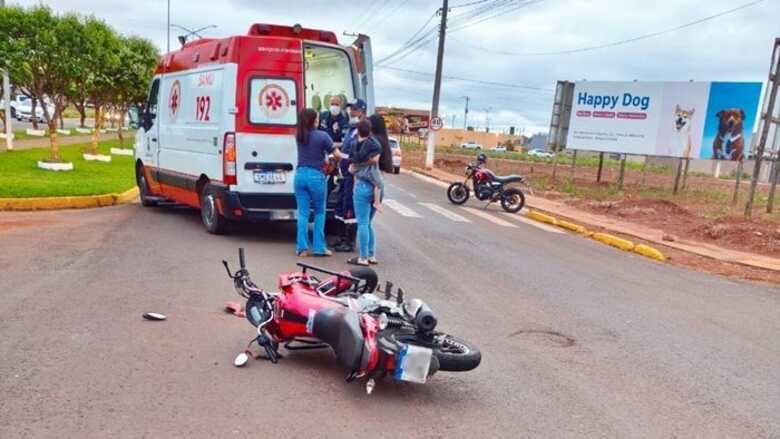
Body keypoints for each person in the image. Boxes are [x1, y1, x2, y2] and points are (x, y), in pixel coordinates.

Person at [294, 108, 341, 257]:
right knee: (320, 212)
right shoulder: (323, 136)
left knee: (302, 213)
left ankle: (302, 248)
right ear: (314, 120)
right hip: (316, 176)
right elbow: (337, 154)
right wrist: (335, 161)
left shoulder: (299, 136)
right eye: (318, 118)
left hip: (300, 175)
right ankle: (319, 248)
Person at [333, 98, 368, 253]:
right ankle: (341, 238)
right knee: (341, 205)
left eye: (353, 109)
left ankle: (349, 241)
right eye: (349, 109)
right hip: (344, 174)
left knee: (350, 208)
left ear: (361, 111)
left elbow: (358, 156)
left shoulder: (363, 130)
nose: (350, 112)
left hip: (353, 175)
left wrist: (342, 156)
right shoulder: (350, 128)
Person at [350, 119, 384, 211]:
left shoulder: (354, 142)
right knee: (379, 183)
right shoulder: (372, 143)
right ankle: (377, 203)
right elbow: (374, 159)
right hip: (370, 172)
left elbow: (351, 157)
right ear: (369, 130)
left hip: (359, 177)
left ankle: (354, 189)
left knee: (355, 175)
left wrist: (355, 164)